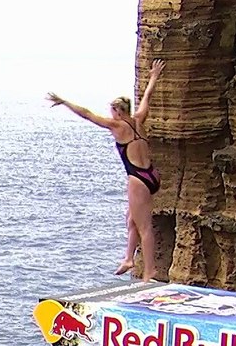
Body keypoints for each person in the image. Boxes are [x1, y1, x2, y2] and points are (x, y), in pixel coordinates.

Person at [47, 59, 166, 282]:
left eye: (112, 111)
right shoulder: (139, 119)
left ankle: (150, 272)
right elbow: (147, 97)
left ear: (117, 112)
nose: (110, 115)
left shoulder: (118, 126)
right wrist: (153, 77)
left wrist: (64, 102)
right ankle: (129, 258)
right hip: (152, 175)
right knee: (131, 217)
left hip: (138, 179)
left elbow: (87, 114)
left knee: (145, 227)